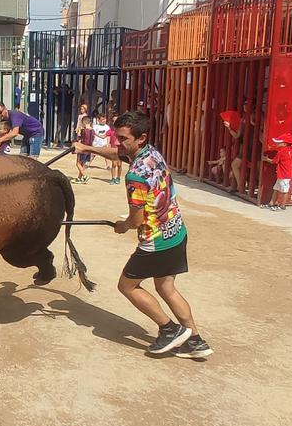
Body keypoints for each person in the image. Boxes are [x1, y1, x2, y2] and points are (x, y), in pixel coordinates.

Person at [74, 111, 213, 359]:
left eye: (124, 138)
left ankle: (168, 329)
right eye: (118, 137)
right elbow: (117, 154)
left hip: (155, 242)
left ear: (141, 137)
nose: (119, 143)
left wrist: (122, 225)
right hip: (176, 231)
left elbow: (136, 220)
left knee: (127, 285)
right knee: (166, 287)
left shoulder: (135, 176)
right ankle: (195, 340)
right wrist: (87, 147)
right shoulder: (152, 155)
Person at [262, 133, 292, 211]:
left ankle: (282, 205)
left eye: (279, 142)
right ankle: (271, 203)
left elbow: (274, 161)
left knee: (284, 191)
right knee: (277, 189)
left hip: (283, 175)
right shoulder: (289, 151)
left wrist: (266, 159)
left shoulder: (281, 152)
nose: (276, 143)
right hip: (284, 174)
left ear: (284, 144)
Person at [74, 115, 93, 183]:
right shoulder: (92, 131)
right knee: (82, 164)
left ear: (83, 122)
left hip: (82, 149)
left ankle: (85, 176)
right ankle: (79, 178)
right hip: (89, 149)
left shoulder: (83, 131)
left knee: (78, 163)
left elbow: (79, 140)